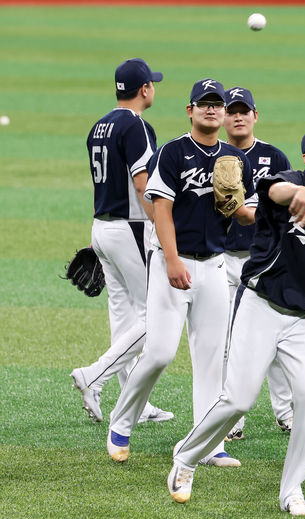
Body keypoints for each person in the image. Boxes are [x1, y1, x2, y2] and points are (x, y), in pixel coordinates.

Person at [167, 122, 305, 517]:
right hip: (261, 307)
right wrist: (299, 191)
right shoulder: (289, 181)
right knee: (238, 398)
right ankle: (185, 458)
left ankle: (293, 491)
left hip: (303, 321)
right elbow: (272, 190)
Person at [105, 78, 256, 468]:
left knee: (210, 360)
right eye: (203, 104)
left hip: (214, 268)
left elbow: (247, 213)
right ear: (190, 111)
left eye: (217, 105)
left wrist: (252, 209)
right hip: (172, 262)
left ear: (224, 114)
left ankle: (208, 445)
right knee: (158, 353)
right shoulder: (172, 152)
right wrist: (171, 260)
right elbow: (161, 209)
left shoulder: (235, 160)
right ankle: (121, 423)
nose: (211, 109)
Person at [70, 58, 173, 425]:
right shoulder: (137, 126)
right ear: (144, 89)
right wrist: (163, 229)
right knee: (157, 315)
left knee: (124, 316)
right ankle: (93, 376)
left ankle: (135, 405)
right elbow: (143, 184)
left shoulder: (99, 126)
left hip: (101, 227)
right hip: (130, 228)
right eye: (152, 84)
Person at [221, 86, 294, 442]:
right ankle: (231, 417)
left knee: (276, 336)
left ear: (254, 116)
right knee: (228, 339)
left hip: (262, 261)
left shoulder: (274, 158)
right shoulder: (213, 155)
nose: (237, 116)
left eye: (243, 110)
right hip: (220, 260)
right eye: (231, 111)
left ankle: (285, 412)